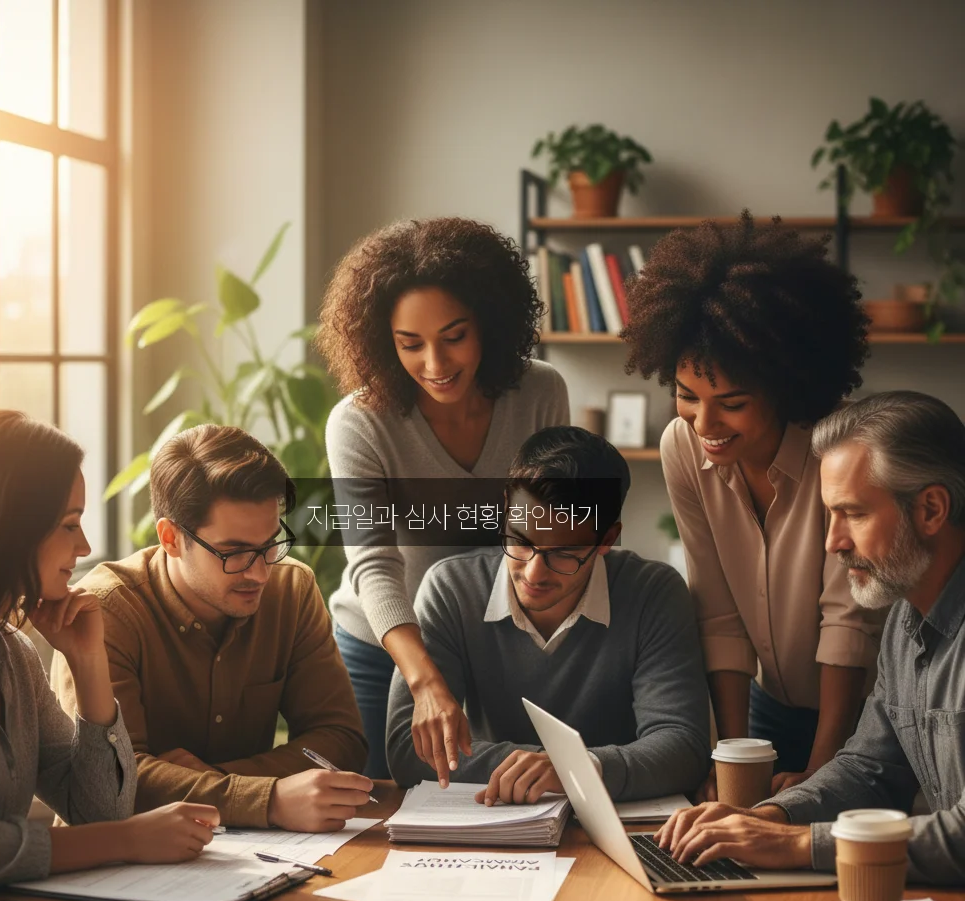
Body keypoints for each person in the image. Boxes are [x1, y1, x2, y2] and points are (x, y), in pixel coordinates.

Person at [624, 211, 885, 798]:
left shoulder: (839, 452)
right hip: (768, 709)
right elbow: (716, 608)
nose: (705, 423)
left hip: (860, 714)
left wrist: (824, 768)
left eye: (732, 402)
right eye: (687, 396)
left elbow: (848, 620)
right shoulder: (681, 445)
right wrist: (732, 760)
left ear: (785, 385)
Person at [656, 392, 965, 885]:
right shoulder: (904, 623)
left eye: (854, 514)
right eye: (830, 515)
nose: (833, 542)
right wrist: (770, 817)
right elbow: (870, 770)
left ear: (931, 509)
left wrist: (799, 843)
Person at [319, 216, 570, 781]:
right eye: (410, 345)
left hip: (491, 639)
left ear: (490, 323)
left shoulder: (540, 392)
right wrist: (425, 679)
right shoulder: (359, 423)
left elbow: (544, 528)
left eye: (454, 337)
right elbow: (373, 562)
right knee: (375, 812)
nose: (435, 365)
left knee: (499, 803)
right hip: (383, 646)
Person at [0, 410, 220, 893]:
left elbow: (98, 811)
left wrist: (88, 662)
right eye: (70, 525)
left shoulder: (13, 653)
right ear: (7, 526)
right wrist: (126, 840)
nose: (85, 544)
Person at [51, 424, 371, 832]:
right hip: (114, 865)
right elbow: (114, 785)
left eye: (270, 543)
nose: (259, 572)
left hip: (255, 853)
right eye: (234, 553)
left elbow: (340, 741)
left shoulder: (291, 588)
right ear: (170, 538)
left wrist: (217, 776)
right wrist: (268, 799)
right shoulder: (106, 611)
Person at [386, 426, 710, 803]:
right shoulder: (451, 589)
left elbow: (684, 748)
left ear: (607, 539)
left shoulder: (654, 593)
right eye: (520, 541)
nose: (534, 573)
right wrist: (554, 767)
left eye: (563, 553)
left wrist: (579, 768)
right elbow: (409, 752)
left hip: (615, 828)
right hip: (495, 824)